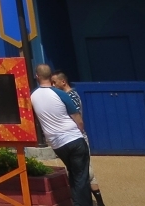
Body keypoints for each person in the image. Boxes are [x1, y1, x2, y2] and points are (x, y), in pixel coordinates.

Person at [30, 64, 91, 206]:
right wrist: (80, 132)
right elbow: (78, 118)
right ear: (50, 76)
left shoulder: (32, 96)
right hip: (73, 138)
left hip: (56, 143)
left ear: (36, 76)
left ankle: (76, 201)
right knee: (81, 177)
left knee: (74, 174)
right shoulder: (60, 94)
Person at [52, 72, 105, 206]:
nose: (53, 85)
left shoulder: (70, 96)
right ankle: (99, 202)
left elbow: (75, 117)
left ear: (63, 82)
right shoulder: (68, 95)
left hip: (77, 137)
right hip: (75, 137)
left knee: (85, 172)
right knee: (85, 171)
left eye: (55, 82)